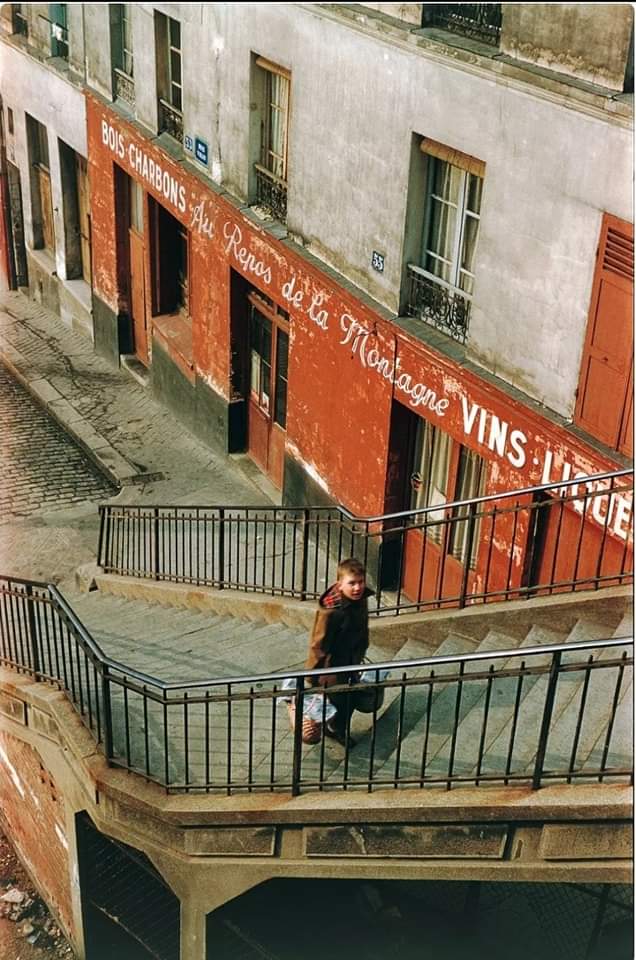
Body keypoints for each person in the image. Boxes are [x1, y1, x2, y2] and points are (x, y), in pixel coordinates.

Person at [305, 557, 372, 746]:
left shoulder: (360, 600)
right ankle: (335, 730)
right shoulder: (332, 612)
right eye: (352, 583)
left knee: (348, 698)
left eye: (360, 582)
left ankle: (334, 726)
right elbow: (318, 645)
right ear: (339, 585)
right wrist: (315, 675)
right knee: (341, 701)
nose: (357, 588)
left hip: (351, 660)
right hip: (333, 667)